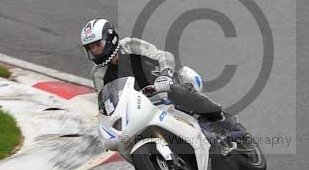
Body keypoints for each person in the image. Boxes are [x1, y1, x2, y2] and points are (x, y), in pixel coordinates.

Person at [81, 18, 228, 124]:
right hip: (138, 109)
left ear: (110, 39)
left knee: (175, 90)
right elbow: (104, 101)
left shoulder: (131, 45)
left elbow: (164, 56)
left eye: (97, 45)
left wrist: (165, 75)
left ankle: (219, 117)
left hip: (162, 89)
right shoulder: (97, 74)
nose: (94, 51)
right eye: (90, 48)